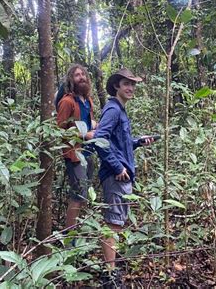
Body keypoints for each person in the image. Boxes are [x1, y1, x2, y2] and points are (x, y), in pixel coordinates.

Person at [94, 68, 155, 287]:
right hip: (116, 176)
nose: (130, 88)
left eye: (133, 84)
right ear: (116, 87)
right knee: (113, 223)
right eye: (126, 84)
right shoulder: (112, 109)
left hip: (122, 174)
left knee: (117, 223)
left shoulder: (120, 110)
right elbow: (100, 139)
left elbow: (119, 142)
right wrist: (117, 167)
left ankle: (111, 271)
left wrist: (138, 142)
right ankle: (109, 277)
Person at [56, 64, 97, 232]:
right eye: (77, 75)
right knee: (78, 195)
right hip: (74, 155)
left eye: (83, 74)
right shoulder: (67, 102)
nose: (81, 77)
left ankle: (80, 230)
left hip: (89, 152)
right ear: (71, 80)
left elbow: (89, 122)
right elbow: (60, 131)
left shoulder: (87, 100)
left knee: (85, 193)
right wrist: (84, 135)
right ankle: (69, 238)